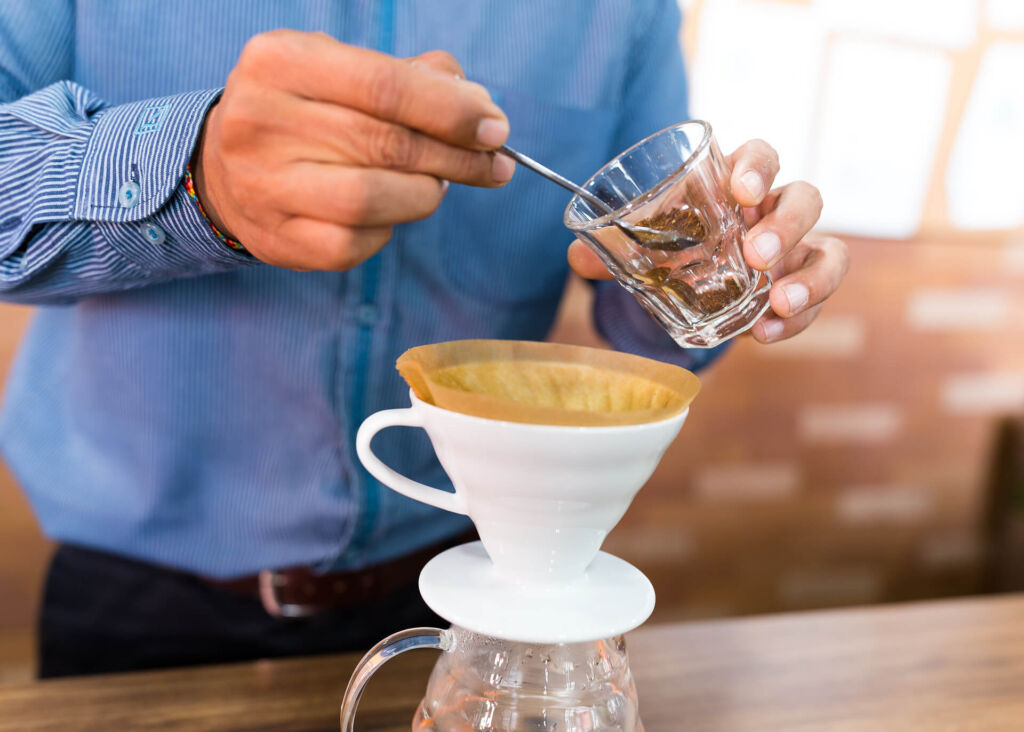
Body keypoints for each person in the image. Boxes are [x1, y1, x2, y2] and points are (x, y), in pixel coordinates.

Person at [0, 1, 848, 677]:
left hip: (473, 588)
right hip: (136, 608)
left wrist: (712, 275)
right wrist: (202, 177)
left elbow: (635, 280)